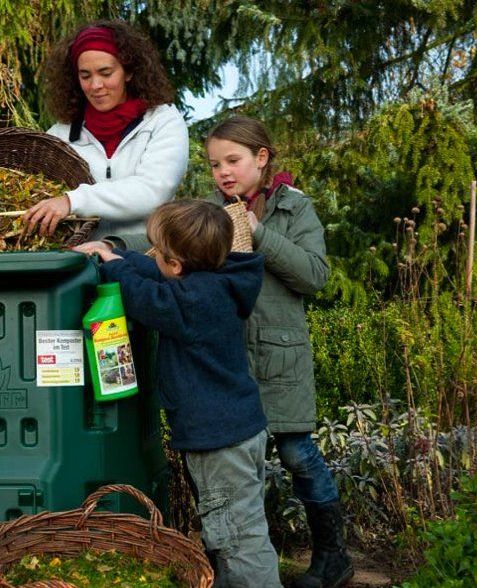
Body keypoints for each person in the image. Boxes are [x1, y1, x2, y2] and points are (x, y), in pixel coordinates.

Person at [80, 116, 354, 588]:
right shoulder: (205, 214)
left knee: (289, 461)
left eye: (233, 160)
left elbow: (313, 275)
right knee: (234, 515)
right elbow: (160, 257)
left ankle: (331, 553)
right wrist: (116, 251)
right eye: (214, 164)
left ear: (261, 158)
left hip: (270, 357)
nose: (223, 171)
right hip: (229, 378)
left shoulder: (292, 208)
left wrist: (257, 231)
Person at [77, 200, 282, 587]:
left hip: (220, 442)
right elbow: (153, 274)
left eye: (160, 253)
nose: (155, 259)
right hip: (236, 433)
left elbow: (146, 297)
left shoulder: (193, 302)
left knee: (238, 538)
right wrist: (114, 254)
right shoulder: (216, 281)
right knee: (236, 529)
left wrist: (111, 267)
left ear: (177, 266)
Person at [0, 19, 189, 239]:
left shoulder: (162, 121)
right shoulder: (61, 134)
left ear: (129, 72)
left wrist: (72, 201)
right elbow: (23, 186)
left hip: (148, 259)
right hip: (80, 263)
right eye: (85, 75)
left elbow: (152, 192)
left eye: (106, 73)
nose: (95, 86)